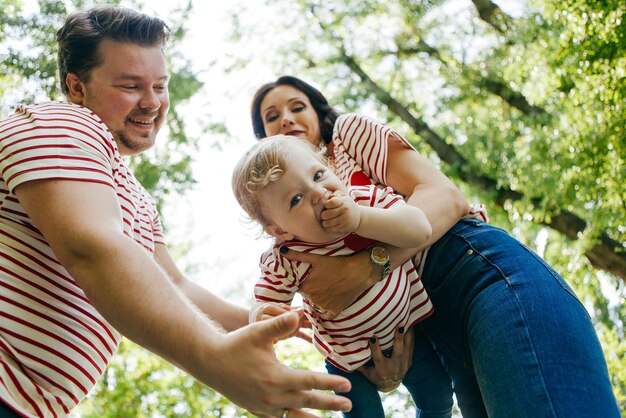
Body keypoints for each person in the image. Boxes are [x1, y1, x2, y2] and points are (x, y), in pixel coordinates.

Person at [0, 9, 354, 418]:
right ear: (76, 88)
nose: (151, 102)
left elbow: (176, 286)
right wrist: (217, 359)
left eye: (160, 86)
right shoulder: (61, 121)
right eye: (130, 86)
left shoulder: (132, 195)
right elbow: (92, 247)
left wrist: (256, 320)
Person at [249, 76, 621, 418]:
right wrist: (387, 365)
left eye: (297, 106)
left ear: (317, 110)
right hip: (436, 334)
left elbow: (446, 197)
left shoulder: (347, 137)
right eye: (272, 116)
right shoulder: (286, 232)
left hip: (473, 275)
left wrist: (367, 266)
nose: (286, 119)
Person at [232, 135, 457, 417]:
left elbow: (419, 229)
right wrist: (263, 315)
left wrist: (361, 219)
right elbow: (265, 303)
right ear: (278, 230)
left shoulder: (363, 199)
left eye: (317, 175)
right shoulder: (286, 256)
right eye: (296, 199)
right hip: (346, 360)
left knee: (438, 400)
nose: (318, 193)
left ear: (331, 168)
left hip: (407, 329)